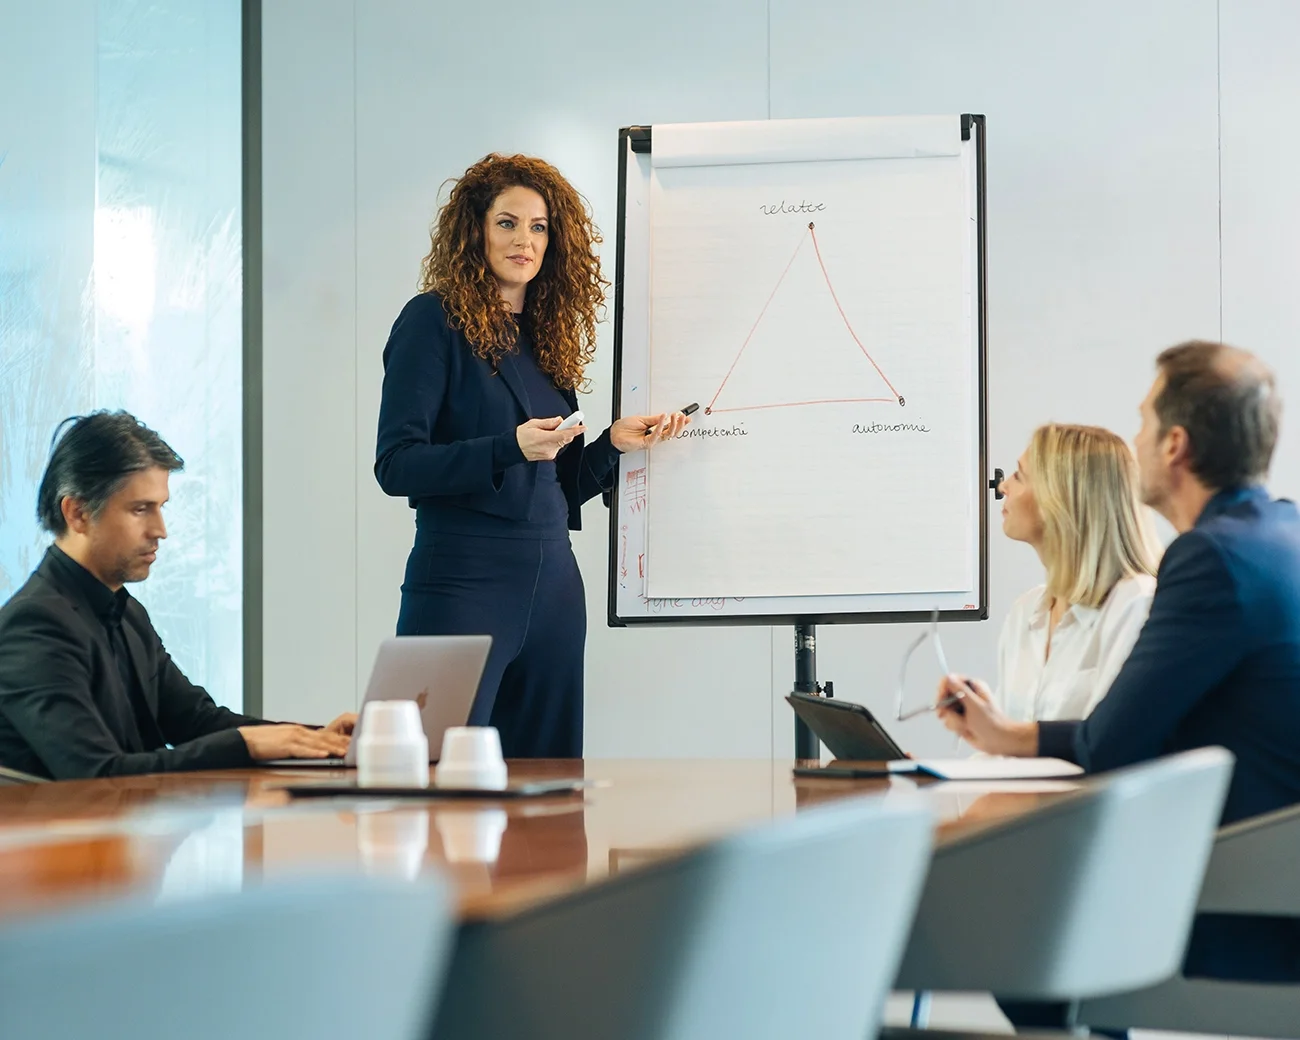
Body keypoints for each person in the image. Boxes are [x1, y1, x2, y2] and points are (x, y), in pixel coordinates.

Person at [938, 341, 1300, 990]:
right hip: (1267, 882)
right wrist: (1013, 737)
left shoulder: (1210, 559)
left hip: (1236, 914)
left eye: (1142, 422)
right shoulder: (1280, 534)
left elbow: (1111, 745)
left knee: (958, 926)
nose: (1132, 441)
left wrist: (1015, 739)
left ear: (1175, 445)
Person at [375, 153, 688, 759]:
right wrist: (508, 446)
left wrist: (608, 447)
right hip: (462, 579)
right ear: (475, 231)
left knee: (549, 795)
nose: (525, 240)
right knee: (428, 780)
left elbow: (549, 487)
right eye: (507, 223)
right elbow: (397, 464)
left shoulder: (542, 338)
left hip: (553, 586)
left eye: (539, 226)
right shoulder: (430, 322)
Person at [0, 412, 357, 780]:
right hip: (70, 835)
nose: (160, 530)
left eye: (161, 507)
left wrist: (319, 739)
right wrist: (246, 744)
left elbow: (195, 720)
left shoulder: (126, 612)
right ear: (77, 513)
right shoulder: (33, 625)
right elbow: (96, 774)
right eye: (140, 509)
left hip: (126, 830)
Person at [990, 423, 1157, 722]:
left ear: (1060, 498)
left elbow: (1115, 742)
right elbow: (1004, 746)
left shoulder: (1136, 605)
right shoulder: (1026, 611)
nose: (1003, 486)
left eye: (1019, 476)